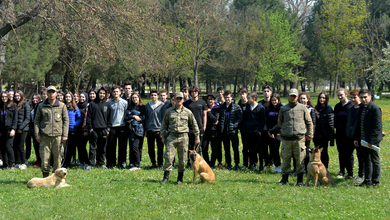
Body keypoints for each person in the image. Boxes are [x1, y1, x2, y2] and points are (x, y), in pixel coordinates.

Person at [160, 92, 200, 184]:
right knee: (169, 157)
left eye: (180, 98)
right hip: (172, 137)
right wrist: (163, 136)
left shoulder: (187, 112)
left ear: (183, 100)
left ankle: (180, 178)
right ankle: (165, 177)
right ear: (174, 100)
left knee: (182, 159)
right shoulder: (169, 111)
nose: (179, 100)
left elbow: (194, 125)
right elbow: (164, 125)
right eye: (177, 98)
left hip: (183, 137)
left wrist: (197, 137)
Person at [278, 88, 313, 186]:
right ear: (288, 96)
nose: (292, 98)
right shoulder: (283, 109)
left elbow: (309, 122)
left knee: (300, 160)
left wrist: (310, 135)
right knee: (285, 160)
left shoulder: (302, 108)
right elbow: (280, 122)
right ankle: (284, 179)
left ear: (297, 97)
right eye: (291, 96)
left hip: (299, 139)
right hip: (286, 139)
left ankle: (300, 180)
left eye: (294, 96)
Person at [34, 86, 69, 177]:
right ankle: (45, 176)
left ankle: (57, 177)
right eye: (49, 92)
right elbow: (36, 121)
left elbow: (66, 121)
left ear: (56, 94)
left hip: (58, 136)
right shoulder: (41, 106)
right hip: (45, 137)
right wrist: (37, 134)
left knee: (58, 158)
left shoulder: (62, 106)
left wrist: (65, 135)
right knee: (45, 159)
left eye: (53, 92)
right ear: (47, 93)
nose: (51, 94)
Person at [354, 89, 382, 188]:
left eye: (365, 97)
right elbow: (358, 124)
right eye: (361, 97)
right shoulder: (361, 108)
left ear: (370, 97)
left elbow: (377, 127)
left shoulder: (375, 108)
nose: (363, 99)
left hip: (372, 140)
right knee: (366, 160)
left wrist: (371, 141)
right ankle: (367, 180)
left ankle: (375, 181)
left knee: (374, 160)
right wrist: (356, 138)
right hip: (363, 139)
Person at [86, 87, 112, 169]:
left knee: (102, 148)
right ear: (98, 94)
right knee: (92, 147)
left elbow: (109, 118)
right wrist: (90, 128)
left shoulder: (108, 105)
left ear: (106, 95)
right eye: (100, 93)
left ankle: (101, 163)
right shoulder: (92, 104)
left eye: (104, 93)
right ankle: (91, 164)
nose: (102, 95)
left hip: (103, 130)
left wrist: (108, 129)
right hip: (94, 130)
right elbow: (89, 117)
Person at [184, 85, 207, 168]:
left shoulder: (202, 103)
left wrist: (204, 126)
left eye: (195, 92)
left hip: (199, 128)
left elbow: (205, 115)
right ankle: (189, 163)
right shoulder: (186, 103)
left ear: (198, 93)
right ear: (190, 93)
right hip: (189, 128)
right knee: (189, 147)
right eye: (192, 92)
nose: (194, 93)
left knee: (198, 148)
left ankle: (198, 163)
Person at [218, 90, 243, 170]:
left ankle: (237, 164)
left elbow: (240, 118)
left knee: (235, 148)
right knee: (226, 149)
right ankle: (228, 163)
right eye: (225, 97)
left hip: (233, 131)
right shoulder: (222, 107)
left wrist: (235, 125)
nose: (227, 99)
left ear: (231, 97)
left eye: (228, 97)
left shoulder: (236, 107)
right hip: (224, 131)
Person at [345, 90, 364, 182]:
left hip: (359, 137)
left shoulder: (362, 108)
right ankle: (350, 174)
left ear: (359, 97)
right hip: (349, 136)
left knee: (360, 156)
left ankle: (360, 175)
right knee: (347, 155)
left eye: (354, 97)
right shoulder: (349, 108)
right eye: (351, 97)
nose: (352, 99)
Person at [243, 92, 265, 171]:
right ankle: (253, 164)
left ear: (254, 98)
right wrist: (245, 128)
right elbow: (245, 119)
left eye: (249, 98)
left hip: (257, 132)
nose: (247, 99)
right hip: (249, 131)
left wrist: (259, 130)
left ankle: (261, 165)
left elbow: (263, 120)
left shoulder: (261, 108)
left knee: (259, 149)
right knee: (251, 149)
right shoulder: (247, 107)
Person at [334, 88, 353, 179]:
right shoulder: (337, 107)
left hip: (349, 134)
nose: (340, 97)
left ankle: (350, 173)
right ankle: (342, 170)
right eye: (338, 95)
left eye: (341, 95)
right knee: (341, 152)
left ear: (346, 94)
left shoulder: (351, 105)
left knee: (349, 154)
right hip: (339, 133)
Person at [107, 86, 128, 168]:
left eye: (117, 91)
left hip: (122, 127)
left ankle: (121, 163)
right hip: (112, 127)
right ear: (112, 93)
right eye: (114, 91)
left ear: (120, 92)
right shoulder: (109, 103)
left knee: (122, 146)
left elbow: (126, 114)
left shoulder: (124, 102)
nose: (116, 93)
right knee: (111, 146)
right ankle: (112, 163)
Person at [145, 90, 166, 169]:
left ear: (158, 96)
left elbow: (164, 118)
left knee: (160, 148)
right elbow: (146, 118)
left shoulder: (162, 105)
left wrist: (162, 130)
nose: (153, 97)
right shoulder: (147, 106)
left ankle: (160, 164)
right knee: (150, 148)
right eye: (152, 95)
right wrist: (146, 130)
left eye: (155, 95)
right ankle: (153, 163)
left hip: (159, 130)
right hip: (150, 129)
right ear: (150, 96)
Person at [125, 93, 145, 171]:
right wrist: (134, 116)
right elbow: (126, 117)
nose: (134, 99)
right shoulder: (130, 107)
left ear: (139, 98)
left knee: (136, 146)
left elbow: (143, 117)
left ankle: (137, 164)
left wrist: (133, 118)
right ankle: (133, 162)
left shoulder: (143, 107)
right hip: (131, 130)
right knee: (132, 146)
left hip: (140, 130)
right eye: (133, 98)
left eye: (136, 97)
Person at [314, 92, 334, 169]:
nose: (321, 99)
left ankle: (325, 168)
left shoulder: (328, 109)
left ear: (326, 99)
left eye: (323, 98)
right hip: (316, 134)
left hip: (324, 135)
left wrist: (331, 138)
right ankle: (318, 167)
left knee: (324, 152)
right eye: (320, 98)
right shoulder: (316, 108)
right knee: (317, 152)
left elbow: (331, 123)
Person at [297, 92, 316, 173]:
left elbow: (313, 123)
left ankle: (306, 169)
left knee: (306, 153)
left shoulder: (311, 110)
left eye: (304, 98)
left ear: (307, 99)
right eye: (301, 98)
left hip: (306, 134)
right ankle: (297, 169)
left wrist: (310, 134)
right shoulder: (296, 109)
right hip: (297, 134)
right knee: (297, 152)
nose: (302, 100)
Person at [63, 92, 82, 168]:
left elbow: (79, 118)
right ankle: (63, 162)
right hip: (63, 131)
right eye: (66, 97)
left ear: (71, 98)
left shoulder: (75, 107)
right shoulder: (62, 106)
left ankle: (67, 163)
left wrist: (75, 124)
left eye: (69, 97)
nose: (68, 98)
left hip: (72, 131)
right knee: (63, 148)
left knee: (70, 148)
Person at [13, 90, 31, 170]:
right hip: (15, 129)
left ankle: (23, 163)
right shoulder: (14, 104)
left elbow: (27, 118)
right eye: (16, 96)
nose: (17, 97)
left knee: (21, 146)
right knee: (15, 146)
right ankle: (17, 162)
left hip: (23, 129)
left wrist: (20, 128)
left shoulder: (26, 104)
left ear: (22, 96)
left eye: (18, 96)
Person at [0, 91, 18, 169]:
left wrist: (13, 129)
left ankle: (11, 164)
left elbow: (15, 119)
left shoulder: (13, 106)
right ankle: (5, 164)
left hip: (10, 129)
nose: (4, 98)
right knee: (2, 147)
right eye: (2, 96)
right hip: (1, 130)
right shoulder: (0, 106)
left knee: (8, 146)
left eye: (5, 96)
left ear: (8, 97)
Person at [201, 94, 220, 167]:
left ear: (214, 100)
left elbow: (215, 120)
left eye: (211, 99)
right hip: (206, 131)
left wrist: (208, 112)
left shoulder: (217, 108)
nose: (210, 101)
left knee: (214, 148)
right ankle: (207, 162)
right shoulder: (204, 107)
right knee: (204, 148)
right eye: (208, 99)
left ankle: (212, 163)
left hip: (213, 131)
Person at [267, 93, 283, 173]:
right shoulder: (268, 109)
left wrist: (273, 131)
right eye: (272, 100)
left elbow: (280, 122)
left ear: (278, 100)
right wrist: (270, 131)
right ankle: (276, 166)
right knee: (272, 150)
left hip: (279, 132)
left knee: (275, 148)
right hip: (271, 132)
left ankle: (280, 166)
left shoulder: (281, 109)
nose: (274, 101)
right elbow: (267, 121)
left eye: (275, 100)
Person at [26, 93, 42, 167]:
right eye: (33, 98)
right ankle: (38, 159)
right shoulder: (31, 107)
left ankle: (41, 160)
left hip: (39, 128)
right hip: (32, 128)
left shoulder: (40, 105)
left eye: (36, 98)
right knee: (35, 145)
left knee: (39, 145)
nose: (34, 100)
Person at [259, 85, 273, 169]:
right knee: (264, 147)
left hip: (271, 129)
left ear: (270, 92)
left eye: (268, 91)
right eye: (264, 91)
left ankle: (271, 163)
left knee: (272, 147)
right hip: (263, 129)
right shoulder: (260, 104)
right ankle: (266, 163)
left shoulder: (274, 103)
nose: (266, 93)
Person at [76, 92, 90, 168]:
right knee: (80, 147)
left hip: (85, 130)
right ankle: (81, 161)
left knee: (83, 146)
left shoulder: (88, 106)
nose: (81, 98)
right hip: (77, 129)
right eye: (80, 97)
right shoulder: (76, 106)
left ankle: (87, 161)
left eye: (83, 97)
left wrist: (87, 130)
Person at [237, 88, 249, 169]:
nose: (242, 95)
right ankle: (245, 164)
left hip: (251, 128)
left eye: (243, 94)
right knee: (245, 147)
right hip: (242, 128)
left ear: (246, 94)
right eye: (241, 94)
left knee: (252, 147)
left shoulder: (250, 103)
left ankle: (253, 163)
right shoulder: (238, 104)